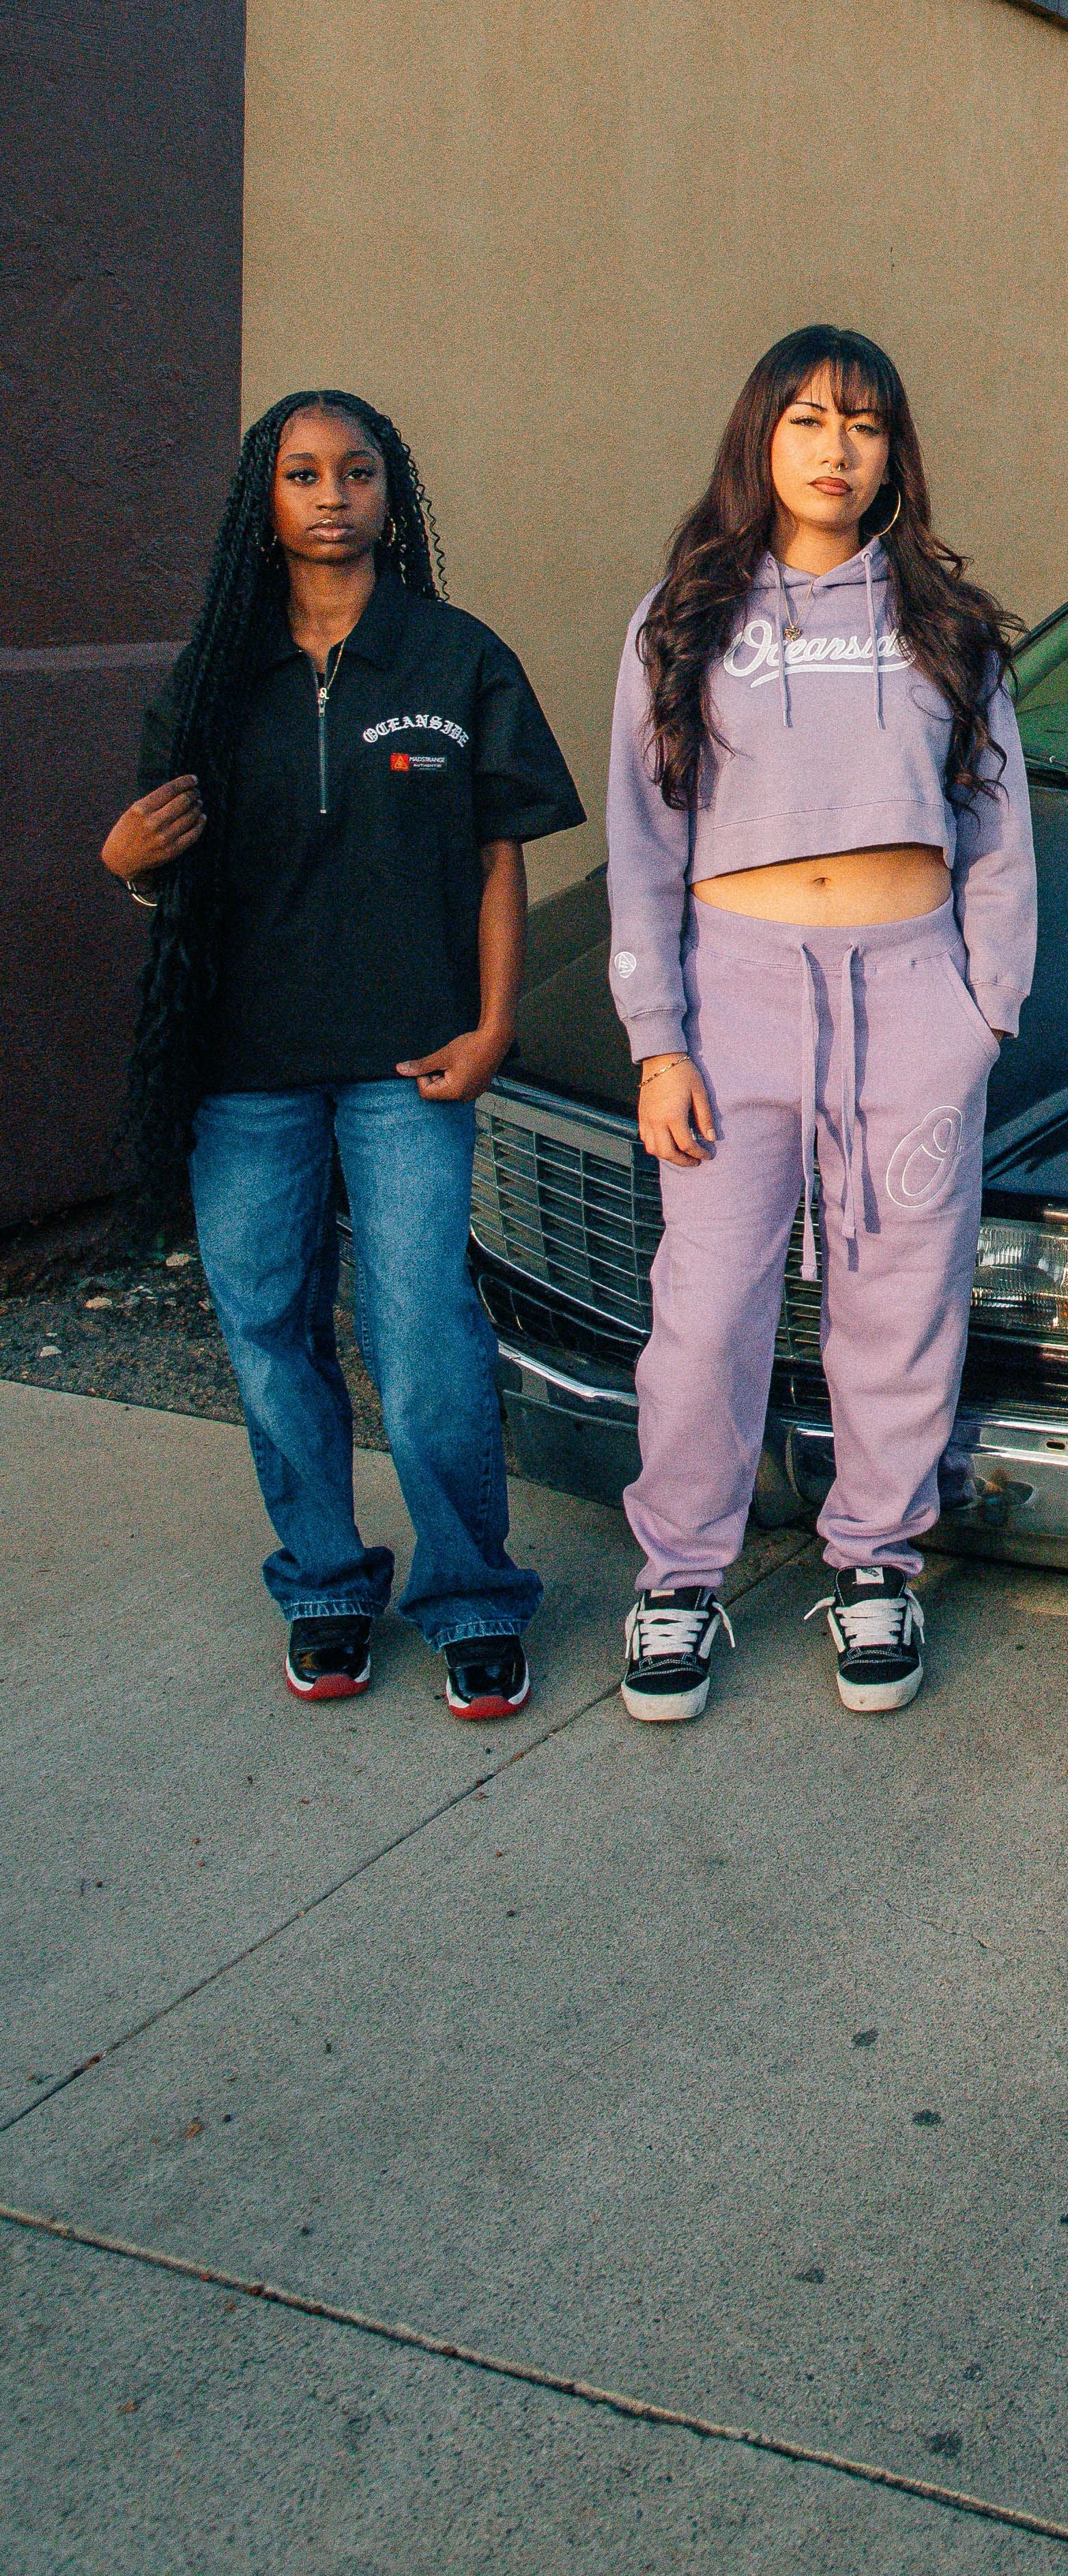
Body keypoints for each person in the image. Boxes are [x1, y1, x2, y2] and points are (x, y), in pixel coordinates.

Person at [102, 393, 583, 1717]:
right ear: (265, 497)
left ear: (391, 492)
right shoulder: (214, 679)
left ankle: (473, 1595)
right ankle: (324, 1581)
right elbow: (176, 879)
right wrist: (130, 875)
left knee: (425, 1336)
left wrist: (494, 1025)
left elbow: (500, 858)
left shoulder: (455, 660)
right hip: (242, 1071)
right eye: (303, 473)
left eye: (357, 471)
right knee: (269, 1331)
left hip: (410, 1064)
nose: (331, 494)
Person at [604, 328, 1035, 1726]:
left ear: (894, 452)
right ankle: (679, 1579)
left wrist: (982, 1015)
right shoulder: (686, 616)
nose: (835, 448)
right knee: (705, 1308)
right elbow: (645, 841)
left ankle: (875, 1561)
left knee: (901, 1302)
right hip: (735, 1000)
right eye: (806, 420)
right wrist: (659, 1037)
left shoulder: (946, 625)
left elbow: (999, 838)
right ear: (761, 438)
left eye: (862, 424)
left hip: (912, 995)